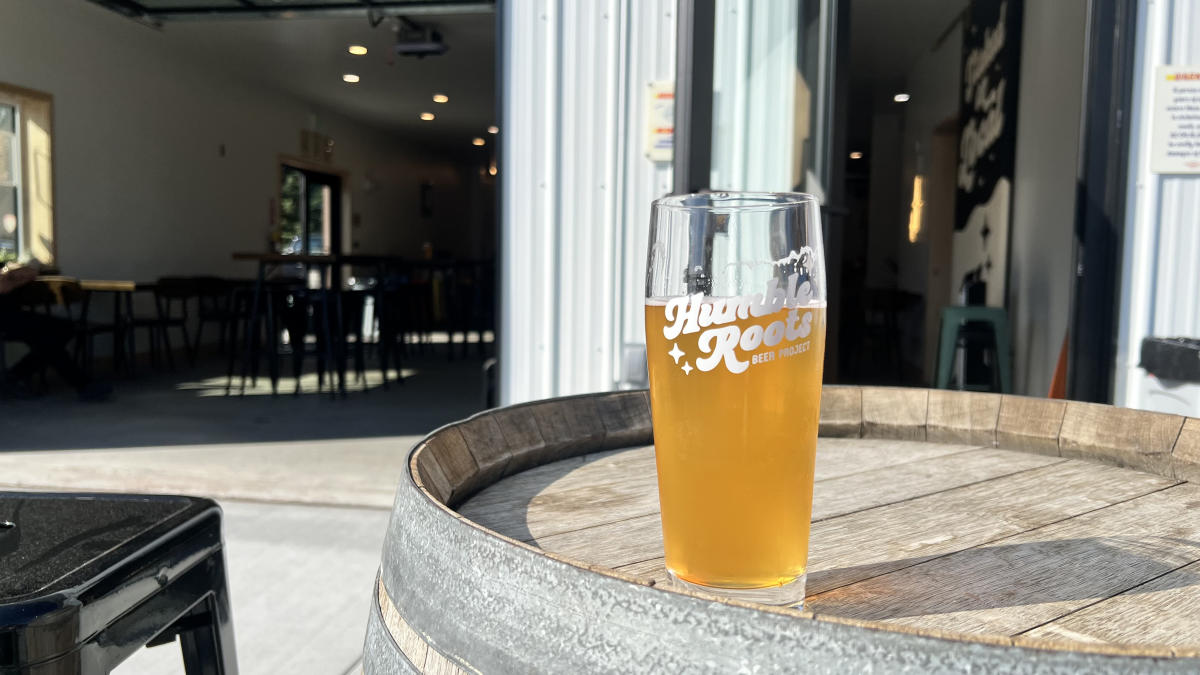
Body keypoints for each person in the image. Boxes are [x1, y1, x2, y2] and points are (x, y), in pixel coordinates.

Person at [0, 263, 112, 401]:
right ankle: (83, 384)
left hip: (14, 316)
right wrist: (9, 280)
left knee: (62, 330)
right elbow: (4, 287)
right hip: (6, 319)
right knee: (48, 338)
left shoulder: (5, 270)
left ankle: (14, 376)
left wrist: (12, 275)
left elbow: (30, 273)